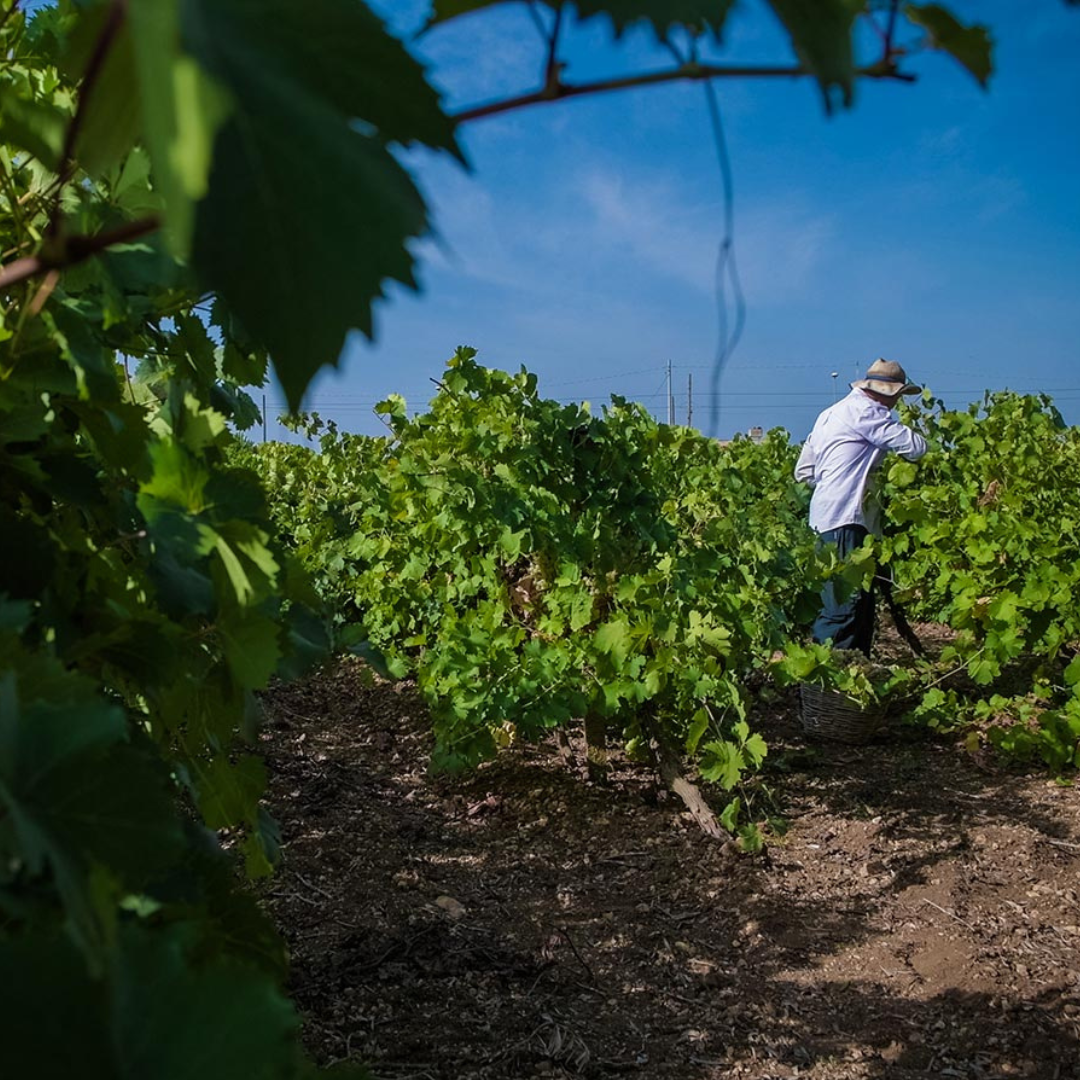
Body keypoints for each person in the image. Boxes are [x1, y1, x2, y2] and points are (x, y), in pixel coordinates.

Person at [794, 358, 928, 656]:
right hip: (846, 520)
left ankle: (854, 683)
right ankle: (827, 683)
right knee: (843, 609)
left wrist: (838, 477)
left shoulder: (829, 414)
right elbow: (917, 448)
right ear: (888, 392)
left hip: (827, 519)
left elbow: (803, 472)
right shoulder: (868, 412)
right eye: (898, 396)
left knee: (860, 607)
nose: (897, 403)